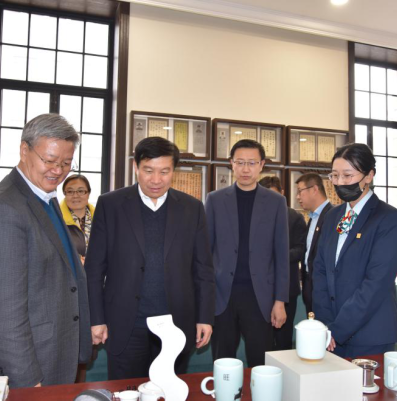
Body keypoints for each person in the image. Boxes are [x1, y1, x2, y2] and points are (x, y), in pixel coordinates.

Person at [0, 114, 91, 388]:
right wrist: (28, 381)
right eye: (49, 160)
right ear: (24, 150)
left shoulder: (44, 197)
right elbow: (4, 313)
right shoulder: (4, 208)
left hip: (56, 349)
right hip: (32, 364)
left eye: (66, 163)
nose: (58, 171)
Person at [85, 137, 215, 380]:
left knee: (170, 390)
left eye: (164, 172)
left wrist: (204, 317)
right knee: (126, 391)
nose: (156, 180)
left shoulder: (192, 208)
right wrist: (96, 319)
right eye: (148, 170)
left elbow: (203, 270)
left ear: (174, 171)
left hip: (175, 324)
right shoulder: (110, 205)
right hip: (126, 323)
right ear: (135, 166)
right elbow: (94, 269)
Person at [312, 143, 397, 359]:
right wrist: (325, 325)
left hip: (370, 334)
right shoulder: (333, 216)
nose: (340, 182)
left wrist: (338, 329)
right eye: (335, 176)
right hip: (330, 334)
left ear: (369, 175)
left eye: (347, 175)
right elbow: (320, 270)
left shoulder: (388, 218)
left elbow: (376, 283)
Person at [205, 139, 289, 367]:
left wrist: (280, 301)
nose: (245, 169)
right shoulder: (214, 200)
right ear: (231, 164)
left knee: (260, 362)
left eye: (251, 163)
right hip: (223, 295)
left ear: (261, 165)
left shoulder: (276, 202)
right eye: (240, 162)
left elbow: (281, 255)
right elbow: (205, 252)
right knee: (223, 362)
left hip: (260, 296)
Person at [258, 176, 306, 351]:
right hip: (259, 289)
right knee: (261, 339)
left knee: (283, 338)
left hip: (286, 289)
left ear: (282, 194)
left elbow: (301, 250)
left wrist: (276, 256)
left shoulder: (294, 217)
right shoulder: (256, 217)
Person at [295, 173, 333, 314]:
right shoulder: (313, 218)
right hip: (310, 287)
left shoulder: (333, 216)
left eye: (300, 191)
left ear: (314, 189)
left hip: (324, 290)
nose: (297, 197)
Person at [61, 174, 95, 262]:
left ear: (88, 193)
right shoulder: (56, 219)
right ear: (65, 194)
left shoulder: (100, 218)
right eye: (70, 191)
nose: (75, 196)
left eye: (81, 191)